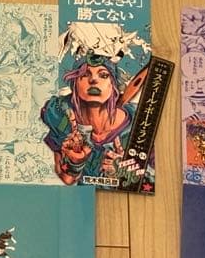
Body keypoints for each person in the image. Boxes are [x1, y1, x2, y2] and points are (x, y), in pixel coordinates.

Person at [40, 56, 138, 185]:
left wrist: (126, 174)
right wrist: (75, 163)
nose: (93, 80)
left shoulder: (138, 122)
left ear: (113, 85)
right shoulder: (61, 119)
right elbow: (67, 179)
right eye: (85, 75)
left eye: (103, 75)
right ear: (75, 84)